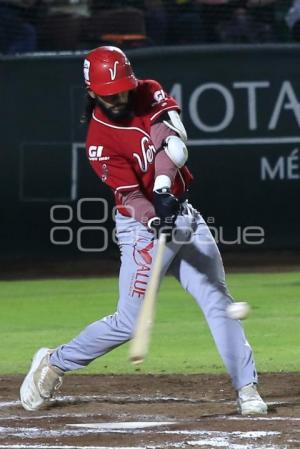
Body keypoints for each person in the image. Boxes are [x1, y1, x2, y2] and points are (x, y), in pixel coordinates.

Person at [20, 46, 268, 416]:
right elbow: (130, 195)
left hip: (181, 214)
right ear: (93, 93)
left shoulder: (147, 90)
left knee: (218, 301)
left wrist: (165, 188)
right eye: (110, 93)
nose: (120, 97)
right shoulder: (98, 141)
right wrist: (154, 218)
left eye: (123, 88)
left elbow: (168, 140)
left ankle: (246, 388)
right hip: (140, 227)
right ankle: (54, 362)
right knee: (128, 323)